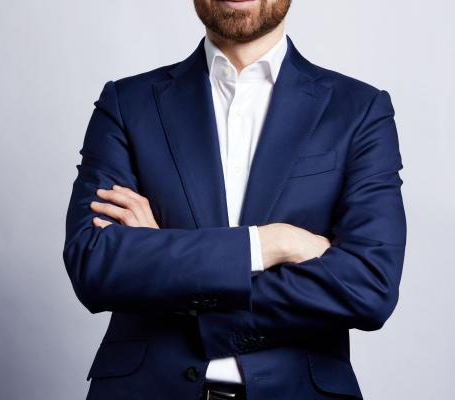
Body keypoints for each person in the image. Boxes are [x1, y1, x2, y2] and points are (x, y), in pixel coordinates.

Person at [62, 0, 407, 399]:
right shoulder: (127, 103)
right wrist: (271, 243)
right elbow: (95, 263)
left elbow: (370, 287)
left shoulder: (360, 110)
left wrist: (164, 264)